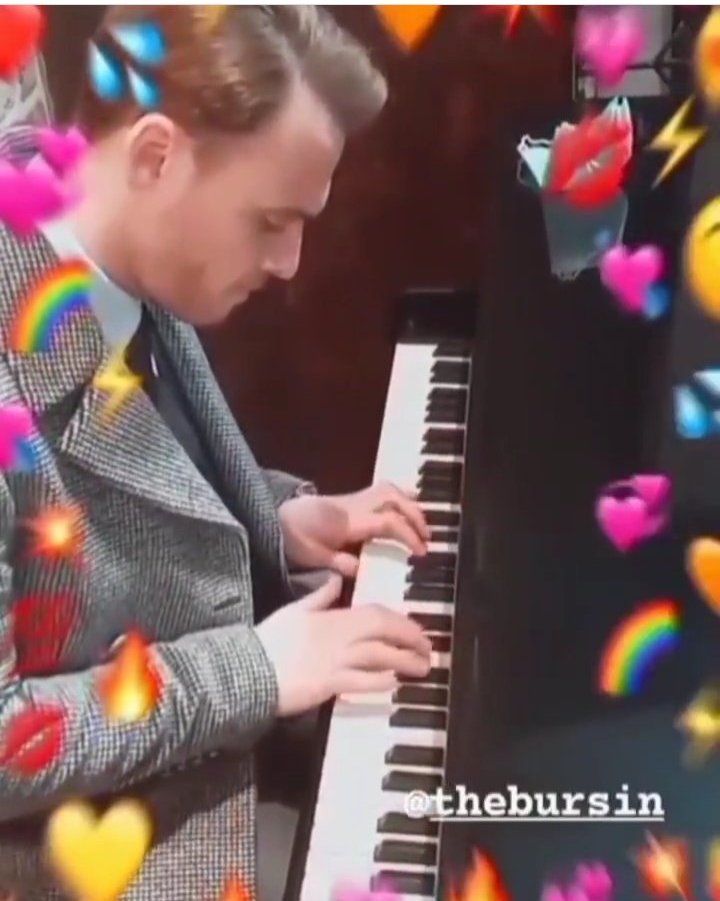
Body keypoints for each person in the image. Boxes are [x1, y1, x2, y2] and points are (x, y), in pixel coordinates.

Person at [0, 6, 434, 900]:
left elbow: (130, 475)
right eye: (270, 219)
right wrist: (256, 672)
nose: (290, 262)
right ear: (157, 156)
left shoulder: (115, 249)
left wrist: (267, 511)